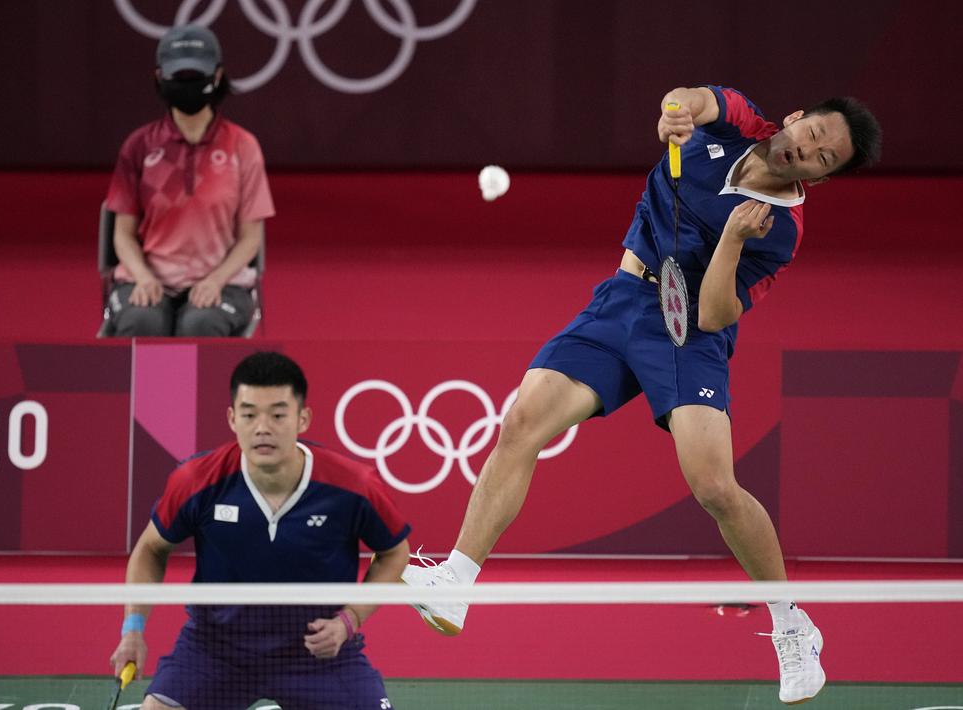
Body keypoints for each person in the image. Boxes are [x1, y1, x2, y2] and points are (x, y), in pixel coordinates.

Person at [401, 86, 881, 705]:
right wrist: (674, 113)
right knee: (522, 422)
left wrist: (733, 238)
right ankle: (457, 582)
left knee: (714, 487)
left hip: (687, 334)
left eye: (823, 158)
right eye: (814, 134)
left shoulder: (779, 230)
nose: (807, 151)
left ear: (824, 177)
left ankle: (793, 624)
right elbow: (691, 100)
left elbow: (712, 315)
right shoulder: (738, 121)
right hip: (621, 299)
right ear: (796, 119)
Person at [109, 351, 411, 710]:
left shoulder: (353, 486)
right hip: (215, 651)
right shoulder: (197, 480)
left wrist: (350, 619)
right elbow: (151, 548)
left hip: (318, 655)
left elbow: (395, 552)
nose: (262, 427)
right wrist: (133, 630)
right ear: (232, 418)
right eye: (250, 415)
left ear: (303, 418)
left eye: (278, 415)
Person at [103, 24, 274, 337]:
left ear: (217, 76)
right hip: (148, 280)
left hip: (223, 283)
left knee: (200, 325)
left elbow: (250, 238)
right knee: (143, 323)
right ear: (159, 77)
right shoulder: (139, 146)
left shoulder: (242, 146)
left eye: (195, 77)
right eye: (178, 77)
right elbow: (122, 235)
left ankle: (183, 388)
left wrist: (215, 280)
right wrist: (143, 277)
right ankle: (158, 389)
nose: (187, 84)